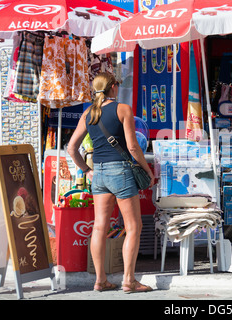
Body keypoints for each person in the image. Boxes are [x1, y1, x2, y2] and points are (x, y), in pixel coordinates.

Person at [67, 72, 155, 293]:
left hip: (99, 174)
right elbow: (133, 148)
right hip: (121, 172)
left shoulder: (88, 113)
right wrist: (148, 171)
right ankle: (129, 280)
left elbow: (71, 148)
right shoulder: (122, 109)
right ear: (113, 87)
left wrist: (86, 169)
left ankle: (100, 280)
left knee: (99, 227)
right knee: (134, 226)